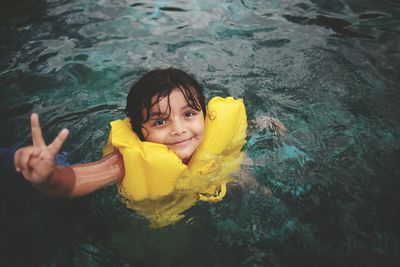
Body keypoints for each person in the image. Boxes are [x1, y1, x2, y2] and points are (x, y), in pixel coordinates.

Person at [11, 68, 286, 226]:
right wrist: (49, 176)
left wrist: (262, 124)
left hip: (216, 177)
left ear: (204, 114)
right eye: (160, 120)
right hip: (166, 218)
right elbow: (73, 181)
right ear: (137, 130)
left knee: (252, 182)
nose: (178, 129)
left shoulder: (213, 129)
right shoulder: (124, 162)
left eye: (189, 114)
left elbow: (236, 133)